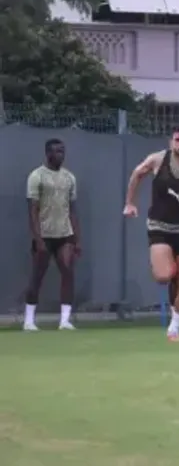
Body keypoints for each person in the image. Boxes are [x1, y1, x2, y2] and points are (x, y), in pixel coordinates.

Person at [123, 126, 179, 342]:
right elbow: (137, 174)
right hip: (160, 226)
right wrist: (130, 202)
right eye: (178, 139)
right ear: (171, 142)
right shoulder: (157, 160)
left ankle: (174, 327)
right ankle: (170, 269)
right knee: (164, 275)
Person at [24, 139, 80, 331]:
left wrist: (77, 239)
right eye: (57, 151)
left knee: (68, 272)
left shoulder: (69, 178)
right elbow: (33, 209)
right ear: (48, 153)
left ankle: (64, 321)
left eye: (62, 151)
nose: (61, 155)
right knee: (37, 276)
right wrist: (37, 238)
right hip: (45, 234)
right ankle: (29, 320)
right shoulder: (37, 176)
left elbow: (72, 209)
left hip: (65, 234)